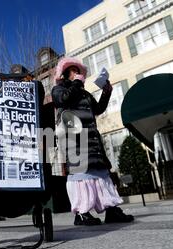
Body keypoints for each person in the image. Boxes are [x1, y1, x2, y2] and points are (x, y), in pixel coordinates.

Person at [51, 57, 134, 226]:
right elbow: (64, 99)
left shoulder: (84, 93)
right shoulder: (58, 89)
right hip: (75, 140)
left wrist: (106, 92)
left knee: (101, 173)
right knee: (81, 175)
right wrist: (76, 84)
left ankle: (112, 210)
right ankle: (82, 213)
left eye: (78, 71)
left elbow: (98, 109)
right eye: (74, 71)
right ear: (66, 74)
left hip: (93, 139)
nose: (78, 74)